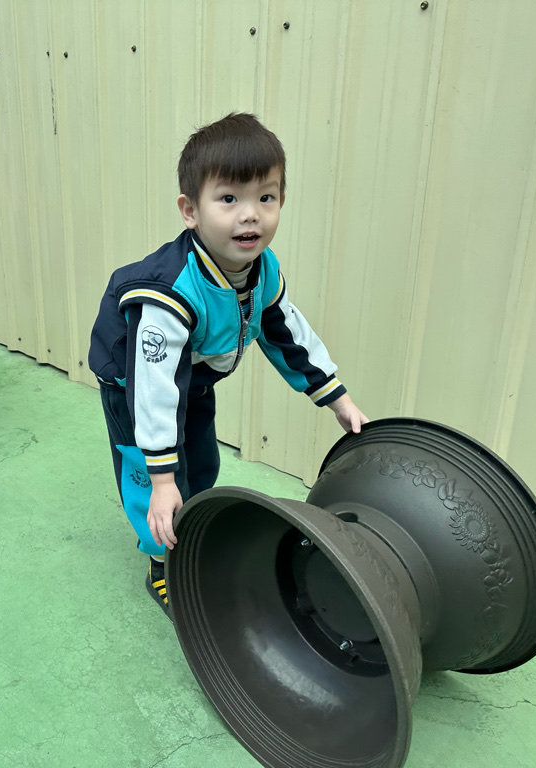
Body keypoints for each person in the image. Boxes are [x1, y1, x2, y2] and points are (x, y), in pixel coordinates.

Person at [88, 113, 368, 618]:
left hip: (194, 378)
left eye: (266, 197)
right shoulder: (170, 294)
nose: (250, 215)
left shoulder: (262, 272)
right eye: (229, 199)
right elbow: (155, 390)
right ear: (190, 211)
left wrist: (337, 398)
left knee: (202, 463)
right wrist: (162, 480)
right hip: (136, 385)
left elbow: (286, 332)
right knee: (155, 477)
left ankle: (193, 530)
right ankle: (162, 563)